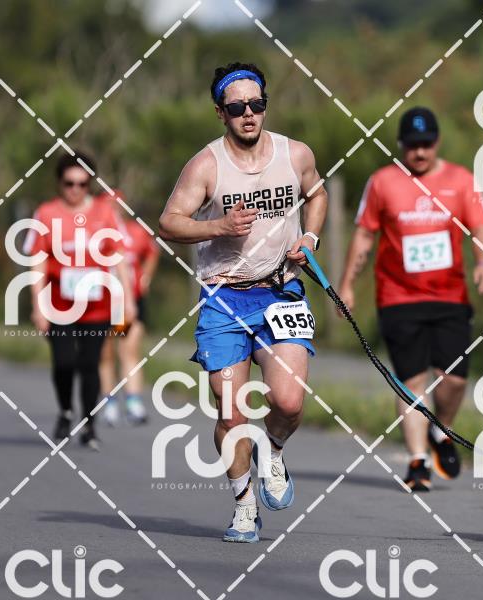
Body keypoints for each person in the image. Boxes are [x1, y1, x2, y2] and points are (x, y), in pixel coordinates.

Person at [158, 62, 327, 543]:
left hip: (281, 293)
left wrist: (310, 238)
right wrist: (219, 226)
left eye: (257, 104)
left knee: (289, 401)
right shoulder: (206, 165)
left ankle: (272, 449)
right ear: (221, 113)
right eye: (237, 108)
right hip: (224, 298)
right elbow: (169, 222)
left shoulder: (295, 154)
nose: (249, 114)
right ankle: (244, 505)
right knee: (231, 414)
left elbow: (318, 193)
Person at [339, 107, 483, 491]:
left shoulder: (461, 180)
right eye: (412, 145)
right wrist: (346, 284)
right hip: (398, 297)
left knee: (454, 379)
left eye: (426, 144)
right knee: (411, 382)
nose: (420, 152)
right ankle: (417, 461)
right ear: (400, 145)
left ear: (437, 142)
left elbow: (480, 226)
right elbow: (364, 235)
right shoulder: (382, 183)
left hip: (450, 296)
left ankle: (441, 431)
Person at [25, 153, 137, 450]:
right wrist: (37, 306)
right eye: (69, 183)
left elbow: (120, 258)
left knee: (90, 364)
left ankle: (89, 424)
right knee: (64, 363)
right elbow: (37, 262)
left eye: (82, 184)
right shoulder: (46, 213)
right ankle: (65, 410)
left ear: (90, 184)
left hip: (97, 306)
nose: (75, 189)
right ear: (60, 183)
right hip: (59, 305)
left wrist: (127, 301)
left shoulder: (105, 213)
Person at [99, 192, 158, 426]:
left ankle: (134, 402)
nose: (113, 208)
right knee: (105, 354)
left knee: (129, 349)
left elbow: (152, 253)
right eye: (108, 204)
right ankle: (110, 402)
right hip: (103, 302)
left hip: (130, 301)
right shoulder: (95, 233)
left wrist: (145, 278)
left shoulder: (136, 231)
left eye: (116, 204)